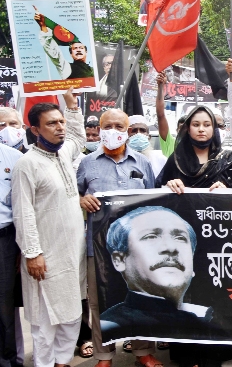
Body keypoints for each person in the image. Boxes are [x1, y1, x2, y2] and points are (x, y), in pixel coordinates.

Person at [77, 109, 161, 367]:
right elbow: (73, 196)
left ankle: (142, 351)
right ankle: (104, 355)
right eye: (108, 125)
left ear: (127, 130)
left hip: (136, 246)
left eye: (119, 126)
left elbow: (153, 200)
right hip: (98, 246)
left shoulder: (142, 162)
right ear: (99, 128)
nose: (113, 131)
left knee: (140, 295)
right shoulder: (87, 163)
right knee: (100, 299)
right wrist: (81, 200)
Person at [158, 105, 232, 367]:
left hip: (219, 244)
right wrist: (168, 185)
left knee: (216, 294)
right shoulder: (176, 160)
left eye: (207, 124)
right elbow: (155, 196)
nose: (202, 129)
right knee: (184, 294)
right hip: (183, 242)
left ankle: (217, 353)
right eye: (196, 124)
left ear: (214, 128)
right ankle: (187, 354)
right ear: (187, 128)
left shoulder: (229, 159)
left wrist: (228, 190)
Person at [11, 88, 87, 367]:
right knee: (45, 325)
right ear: (35, 129)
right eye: (52, 123)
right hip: (45, 258)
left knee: (71, 316)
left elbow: (78, 138)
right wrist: (32, 253)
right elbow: (23, 213)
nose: (60, 128)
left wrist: (72, 106)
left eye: (61, 122)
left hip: (71, 256)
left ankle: (63, 362)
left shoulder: (63, 153)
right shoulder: (27, 164)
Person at [99, 206, 218, 339]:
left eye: (180, 238)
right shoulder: (109, 324)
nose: (171, 248)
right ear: (119, 260)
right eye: (151, 236)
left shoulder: (204, 317)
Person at [0, 137, 24, 367]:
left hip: (4, 241)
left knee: (4, 306)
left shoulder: (14, 158)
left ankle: (7, 361)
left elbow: (22, 207)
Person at [34, 10, 94, 80]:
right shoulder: (66, 68)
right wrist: (43, 26)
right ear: (71, 54)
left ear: (86, 52)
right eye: (75, 48)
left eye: (81, 48)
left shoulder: (93, 70)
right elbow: (53, 52)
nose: (78, 50)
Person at [154, 72, 177, 157]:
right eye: (182, 128)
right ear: (177, 130)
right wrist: (160, 87)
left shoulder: (196, 149)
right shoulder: (171, 144)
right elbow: (160, 115)